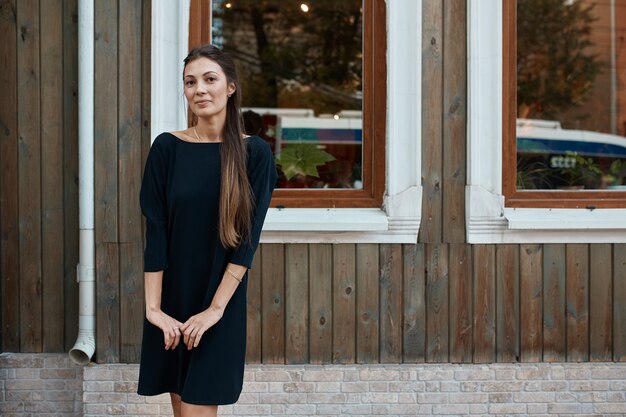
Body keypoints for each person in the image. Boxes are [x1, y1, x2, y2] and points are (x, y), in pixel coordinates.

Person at [137, 44, 277, 417]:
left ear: (230, 87)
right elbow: (157, 231)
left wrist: (215, 310)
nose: (199, 89)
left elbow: (247, 242)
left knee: (199, 408)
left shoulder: (255, 154)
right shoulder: (167, 148)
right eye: (190, 82)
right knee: (182, 411)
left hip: (220, 304)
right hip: (172, 302)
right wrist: (154, 309)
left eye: (209, 79)